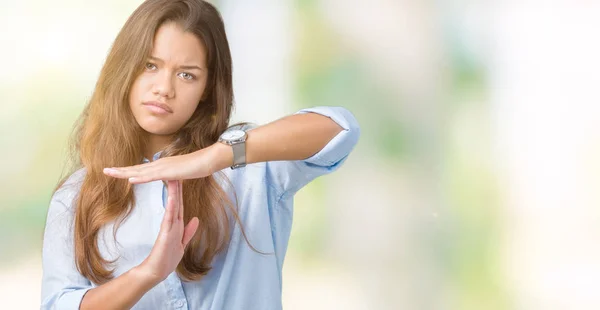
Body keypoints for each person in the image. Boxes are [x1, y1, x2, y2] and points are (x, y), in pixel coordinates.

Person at [40, 0, 360, 309]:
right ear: (124, 67)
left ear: (207, 87)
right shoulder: (77, 195)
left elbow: (341, 129)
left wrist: (214, 158)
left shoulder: (246, 168)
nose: (164, 88)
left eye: (186, 74)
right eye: (150, 66)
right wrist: (147, 273)